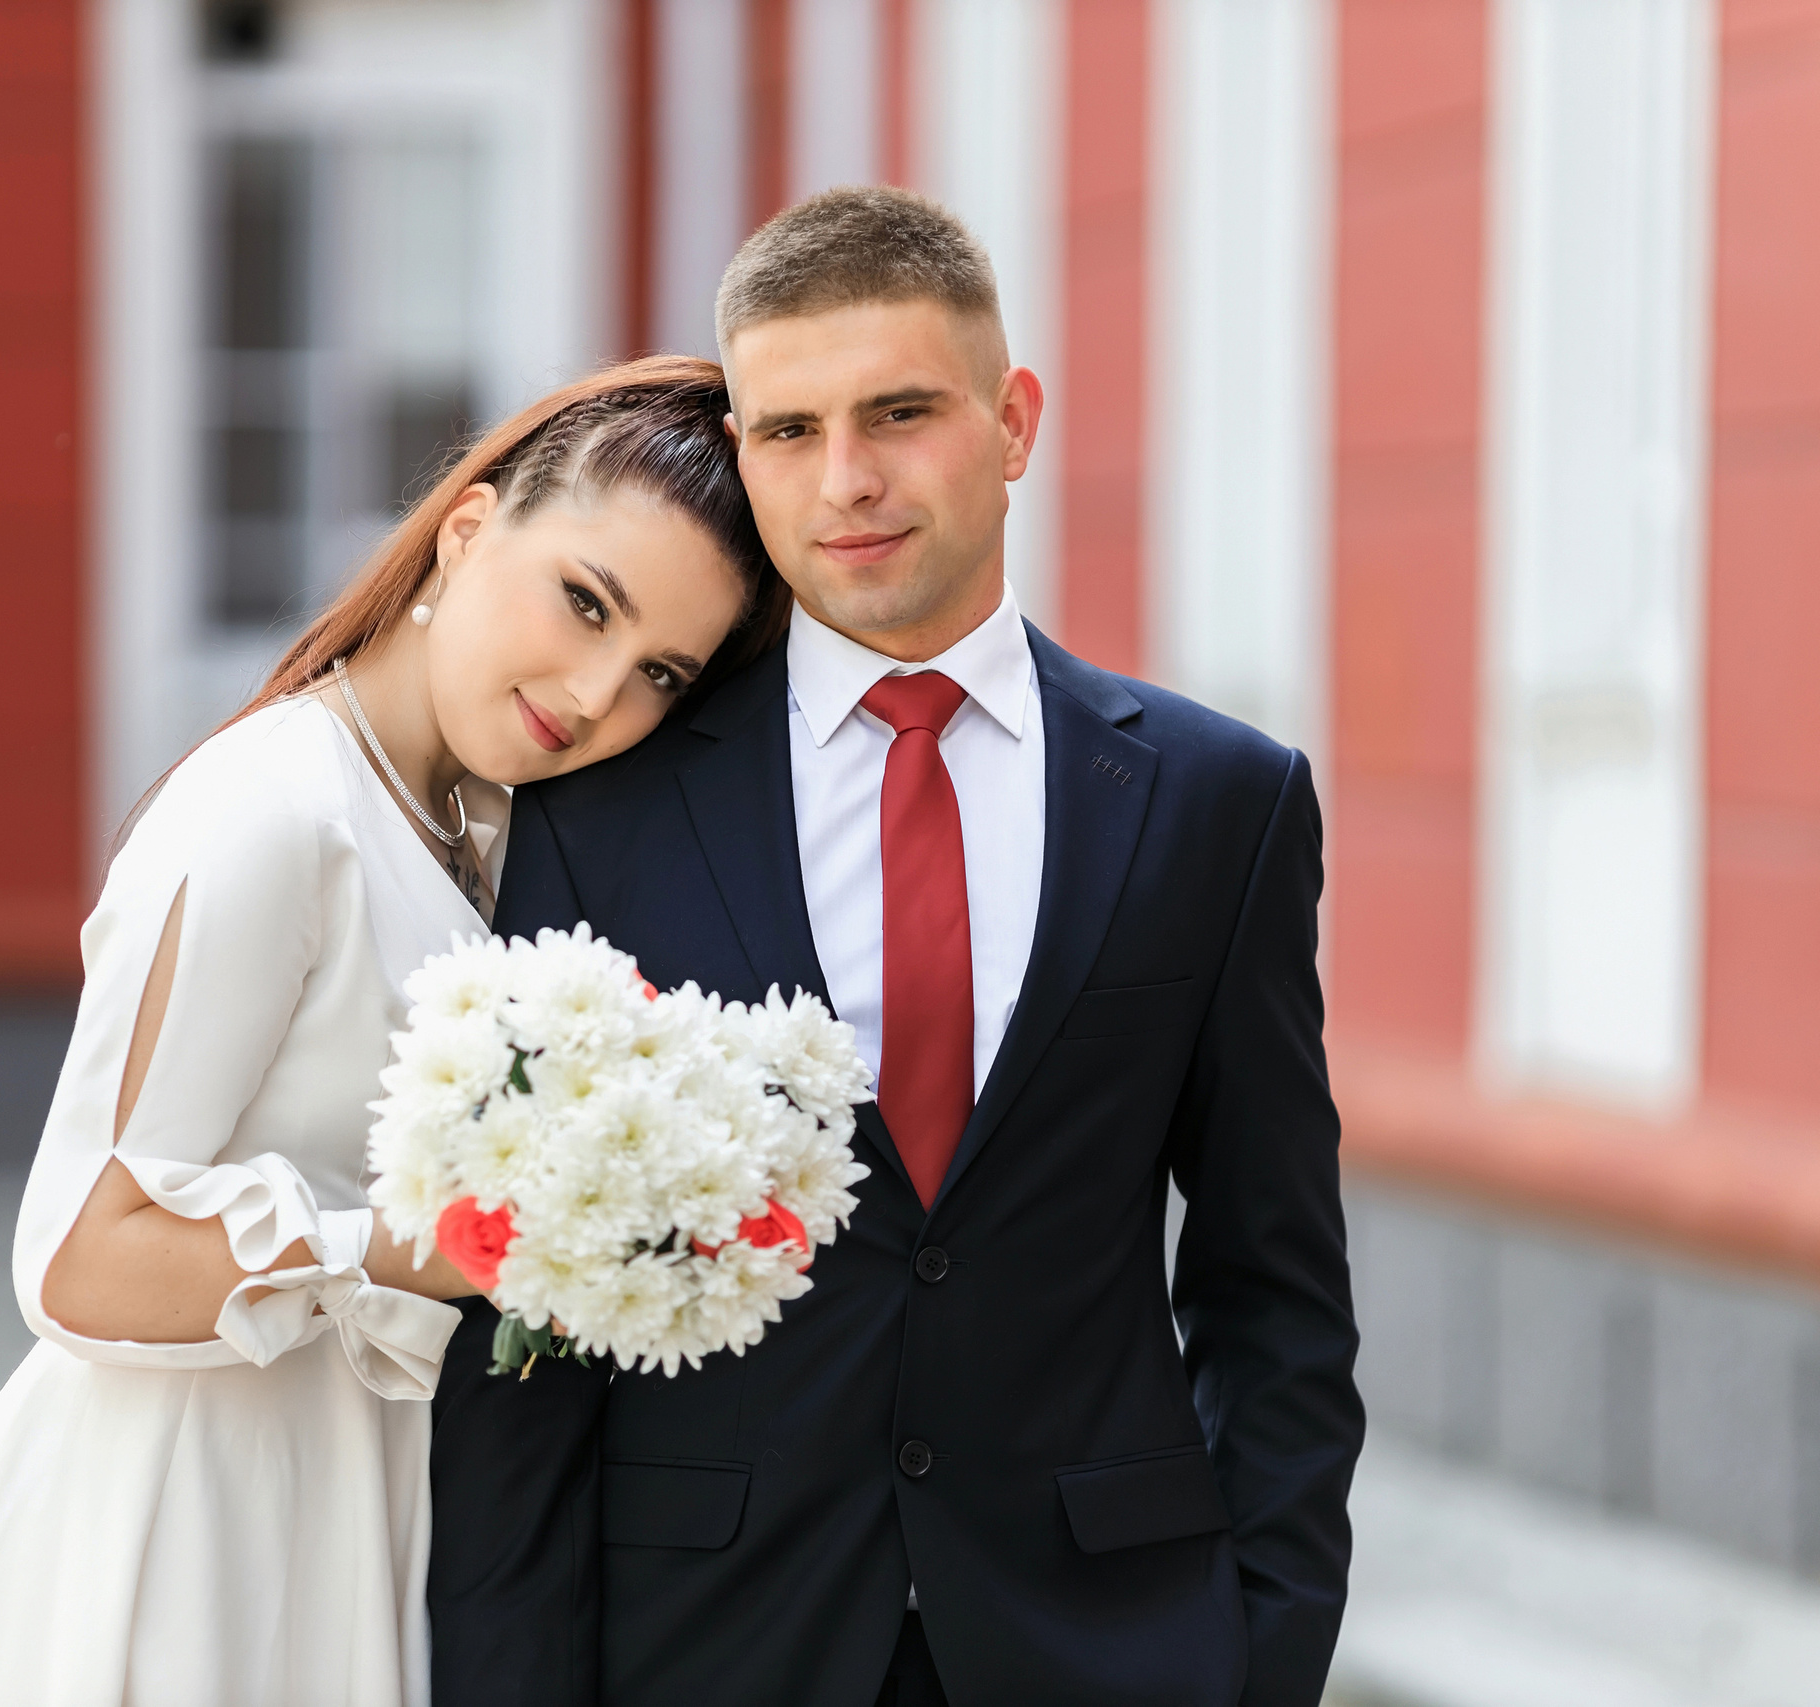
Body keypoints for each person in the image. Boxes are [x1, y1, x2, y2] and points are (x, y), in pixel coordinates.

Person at [430, 187, 1363, 1707]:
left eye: (901, 412)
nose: (845, 480)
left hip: (1110, 1644)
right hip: (714, 1647)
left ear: (1013, 422)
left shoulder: (1218, 805)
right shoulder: (603, 811)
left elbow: (1276, 1289)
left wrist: (1261, 1656)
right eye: (788, 430)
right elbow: (525, 1343)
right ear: (742, 451)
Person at [0, 357, 783, 1707]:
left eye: (658, 673)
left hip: (334, 1514)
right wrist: (449, 1245)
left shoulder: (483, 828)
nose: (593, 695)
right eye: (583, 603)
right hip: (166, 1536)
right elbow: (71, 1259)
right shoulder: (277, 813)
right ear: (468, 530)